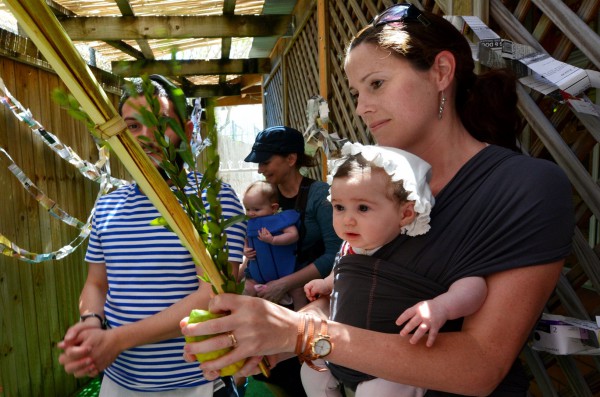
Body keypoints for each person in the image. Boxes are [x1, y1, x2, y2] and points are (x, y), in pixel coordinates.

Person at [180, 4, 574, 396]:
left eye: (376, 84)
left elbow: (481, 364)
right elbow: (345, 292)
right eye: (355, 92)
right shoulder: (372, 182)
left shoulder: (525, 186)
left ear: (441, 72)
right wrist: (270, 338)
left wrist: (303, 335)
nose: (360, 107)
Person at [57, 75, 246, 397]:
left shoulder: (214, 198)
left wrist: (116, 340)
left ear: (187, 132)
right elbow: (96, 283)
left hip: (198, 380)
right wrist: (91, 321)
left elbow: (212, 295)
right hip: (120, 380)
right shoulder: (108, 204)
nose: (146, 136)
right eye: (132, 126)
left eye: (159, 123)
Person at [301, 142, 487, 397]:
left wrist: (443, 306)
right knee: (310, 369)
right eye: (339, 207)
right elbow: (342, 272)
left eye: (363, 208)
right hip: (346, 350)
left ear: (406, 213)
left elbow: (474, 285)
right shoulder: (349, 247)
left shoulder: (421, 248)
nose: (348, 219)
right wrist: (327, 282)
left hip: (395, 365)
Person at [240, 125, 343, 397]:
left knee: (306, 371)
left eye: (265, 161)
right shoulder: (264, 196)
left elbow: (334, 255)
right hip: (271, 298)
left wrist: (284, 284)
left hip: (312, 300)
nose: (260, 169)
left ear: (291, 159)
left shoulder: (320, 196)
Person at [241, 180, 306, 310]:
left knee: (298, 291)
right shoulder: (249, 223)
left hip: (287, 272)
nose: (251, 213)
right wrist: (245, 250)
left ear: (274, 208)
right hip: (257, 275)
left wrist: (273, 240)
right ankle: (243, 316)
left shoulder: (281, 220)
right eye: (247, 209)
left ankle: (301, 317)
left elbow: (293, 235)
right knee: (246, 290)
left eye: (256, 209)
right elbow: (245, 238)